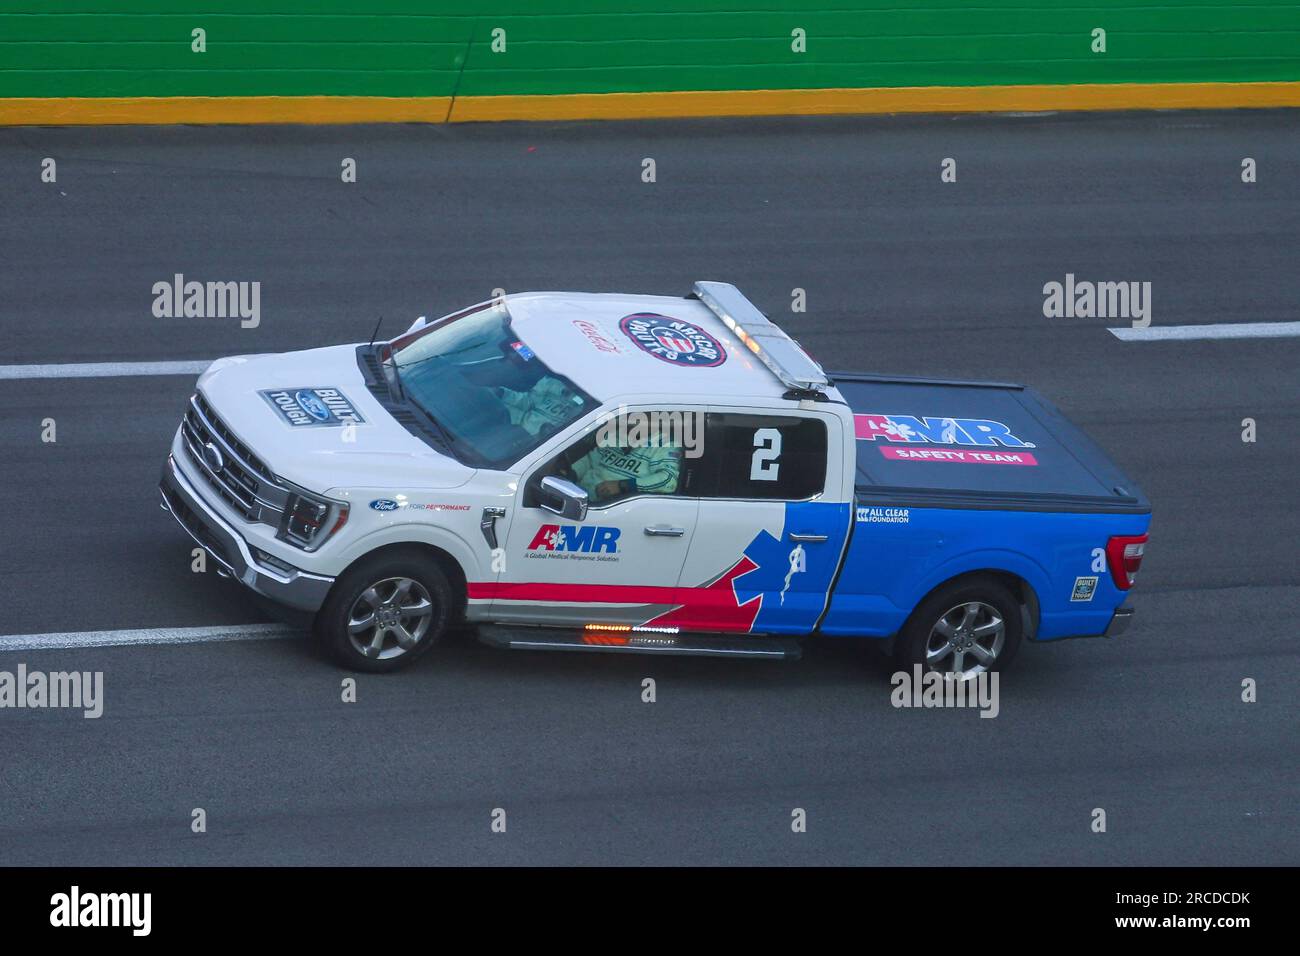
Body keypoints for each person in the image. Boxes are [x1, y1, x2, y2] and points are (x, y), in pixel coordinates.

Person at [570, 426, 682, 502]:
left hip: (612, 508)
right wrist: (570, 473)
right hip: (577, 496)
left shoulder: (665, 444)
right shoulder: (617, 433)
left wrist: (622, 486)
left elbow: (668, 481)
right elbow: (590, 460)